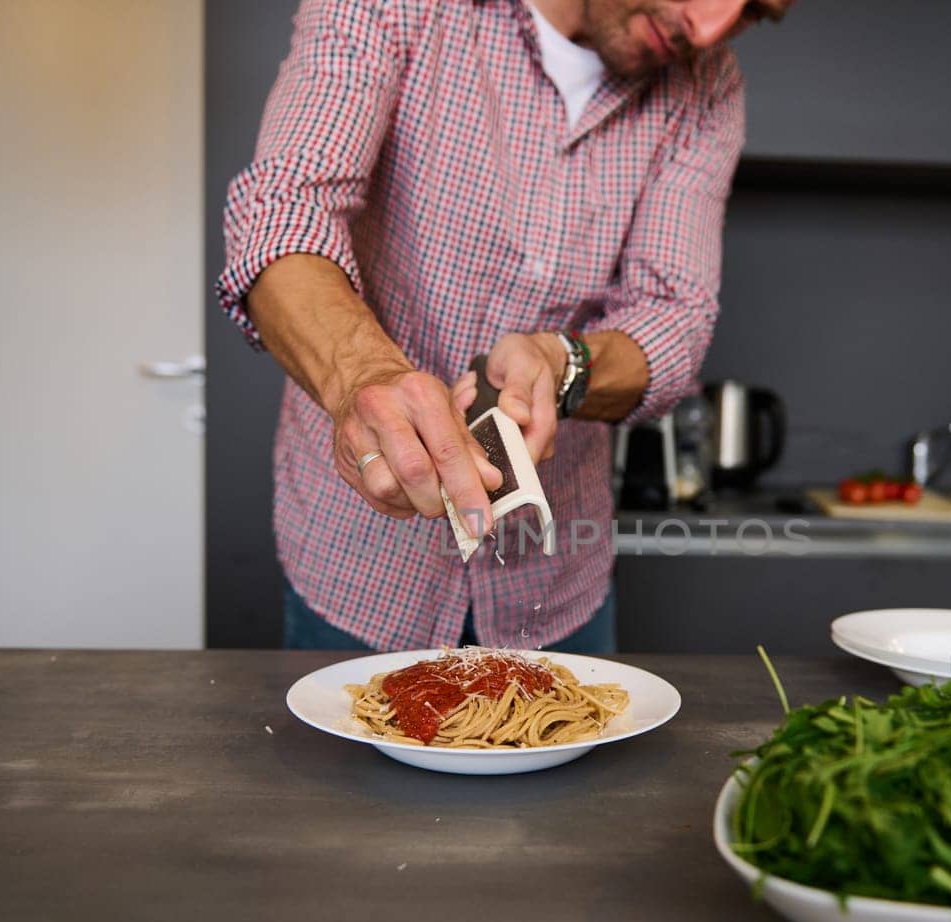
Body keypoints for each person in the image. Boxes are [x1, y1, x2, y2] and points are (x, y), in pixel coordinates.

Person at [217, 0, 791, 653]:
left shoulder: (708, 86)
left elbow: (672, 314)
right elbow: (287, 205)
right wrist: (363, 375)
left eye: (755, 14)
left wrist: (566, 365)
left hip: (552, 585)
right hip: (360, 567)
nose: (710, 29)